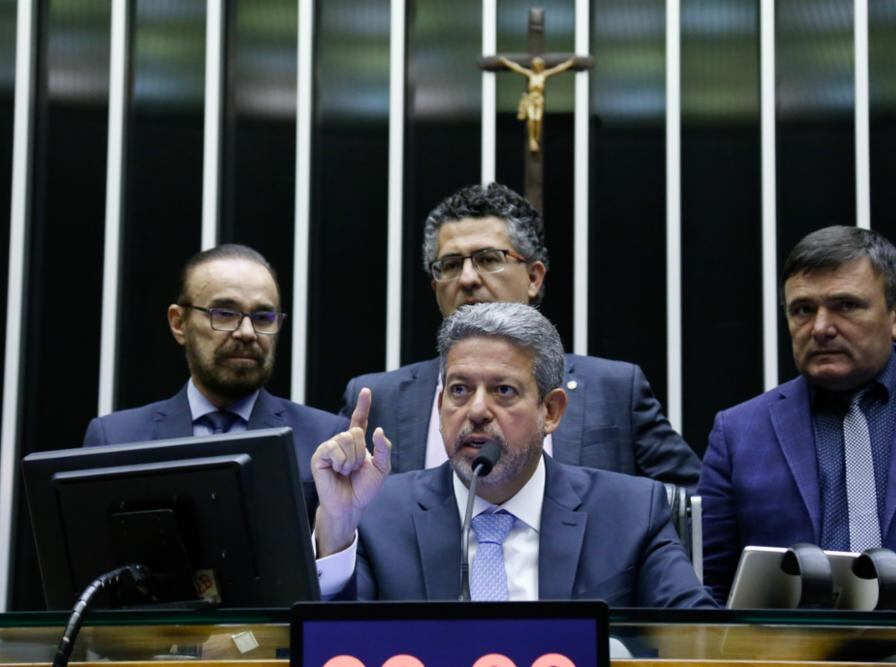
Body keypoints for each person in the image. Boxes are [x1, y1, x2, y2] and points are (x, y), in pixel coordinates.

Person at [314, 302, 715, 606]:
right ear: (440, 408)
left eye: (503, 391)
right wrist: (337, 526)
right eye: (459, 390)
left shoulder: (630, 513)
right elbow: (332, 646)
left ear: (551, 411)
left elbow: (701, 638)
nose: (476, 411)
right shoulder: (379, 513)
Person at [697, 226, 896, 612]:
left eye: (846, 305)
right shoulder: (739, 433)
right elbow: (707, 585)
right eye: (803, 310)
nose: (821, 328)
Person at [340, 182, 701, 489]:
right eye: (450, 265)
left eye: (487, 259)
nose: (467, 278)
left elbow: (693, 505)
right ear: (436, 287)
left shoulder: (614, 389)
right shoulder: (377, 399)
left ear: (533, 278)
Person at [83, 244, 348, 510]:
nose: (247, 332)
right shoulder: (115, 440)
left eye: (263, 317)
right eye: (224, 314)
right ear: (178, 323)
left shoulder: (324, 438)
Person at [497, 55, 576, 153]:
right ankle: (532, 140)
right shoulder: (530, 74)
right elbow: (517, 68)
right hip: (531, 99)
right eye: (535, 65)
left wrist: (569, 63)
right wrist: (505, 61)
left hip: (539, 100)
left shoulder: (544, 74)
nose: (537, 66)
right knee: (532, 119)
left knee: (538, 119)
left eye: (538, 65)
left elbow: (557, 69)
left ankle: (537, 139)